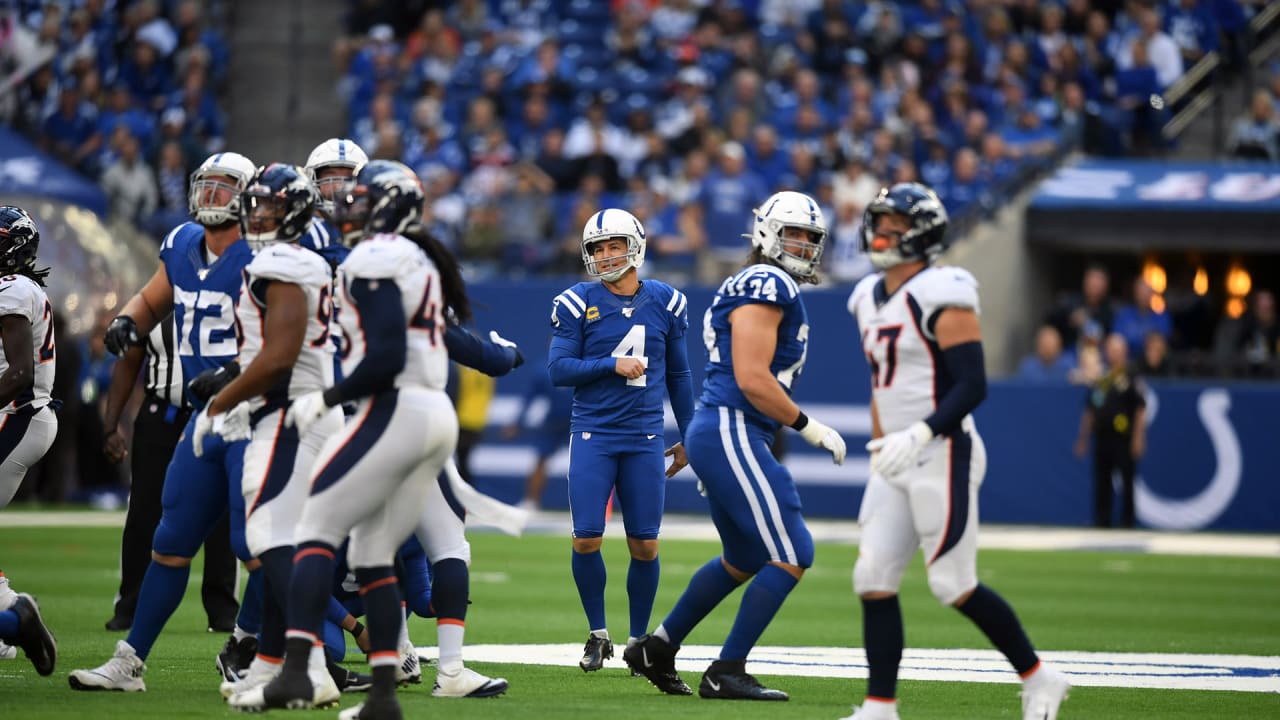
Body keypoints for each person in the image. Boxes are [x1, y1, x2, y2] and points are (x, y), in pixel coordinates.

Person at [245, 161, 507, 718]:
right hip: (430, 411)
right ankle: (385, 695)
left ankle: (296, 672)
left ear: (391, 206)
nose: (348, 207)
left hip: (393, 409)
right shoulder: (418, 258)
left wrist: (329, 396)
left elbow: (386, 355)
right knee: (373, 552)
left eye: (363, 199)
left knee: (314, 528)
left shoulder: (375, 257)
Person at [841, 183, 1070, 720]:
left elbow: (972, 384)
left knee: (952, 584)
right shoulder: (865, 297)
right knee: (872, 578)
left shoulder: (943, 289)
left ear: (921, 234)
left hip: (942, 451)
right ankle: (880, 707)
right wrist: (883, 443)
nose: (880, 233)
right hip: (894, 457)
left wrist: (919, 433)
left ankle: (1041, 677)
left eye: (893, 225)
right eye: (879, 222)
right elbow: (883, 385)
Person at [625, 190, 847, 700]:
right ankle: (727, 669)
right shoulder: (767, 280)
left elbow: (732, 376)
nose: (806, 245)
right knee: (793, 550)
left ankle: (657, 646)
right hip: (734, 428)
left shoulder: (760, 281)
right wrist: (808, 425)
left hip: (721, 427)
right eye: (795, 233)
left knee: (746, 553)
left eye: (812, 238)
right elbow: (750, 377)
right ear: (768, 233)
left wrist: (695, 440)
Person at [69, 151, 260, 692]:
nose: (210, 198)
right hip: (204, 420)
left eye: (224, 189)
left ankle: (267, 654)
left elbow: (282, 340)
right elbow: (153, 299)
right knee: (170, 540)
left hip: (253, 415)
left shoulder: (263, 256)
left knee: (259, 548)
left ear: (246, 198)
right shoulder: (179, 244)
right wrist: (127, 323)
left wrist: (232, 374)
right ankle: (129, 661)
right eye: (206, 186)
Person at [190, 162, 345, 707]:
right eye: (253, 204)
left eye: (270, 207)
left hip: (287, 414)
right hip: (304, 411)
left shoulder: (281, 261)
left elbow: (279, 356)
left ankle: (311, 668)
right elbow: (272, 347)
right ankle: (270, 664)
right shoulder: (296, 260)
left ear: (296, 212)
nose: (257, 214)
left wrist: (221, 402)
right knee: (285, 538)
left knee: (268, 539)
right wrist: (233, 374)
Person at [548, 207, 696, 673]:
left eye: (615, 245)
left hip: (646, 435)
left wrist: (689, 435)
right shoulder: (575, 301)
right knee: (587, 538)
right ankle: (597, 634)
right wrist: (610, 364)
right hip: (594, 432)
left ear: (635, 247)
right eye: (598, 248)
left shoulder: (668, 301)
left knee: (645, 544)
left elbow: (679, 375)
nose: (607, 255)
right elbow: (558, 369)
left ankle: (637, 641)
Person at [99, 314, 239, 633]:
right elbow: (128, 360)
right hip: (162, 412)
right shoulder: (153, 305)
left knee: (222, 513)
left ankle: (222, 607)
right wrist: (111, 426)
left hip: (216, 413)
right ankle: (131, 604)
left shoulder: (230, 292)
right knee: (143, 511)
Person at [0, 205, 61, 673]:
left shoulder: (12, 289)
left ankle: (12, 619)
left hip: (19, 415)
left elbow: (19, 374)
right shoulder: (23, 289)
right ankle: (10, 621)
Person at [1074, 332, 1147, 529]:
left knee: (1127, 481)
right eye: (1111, 349)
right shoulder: (1101, 377)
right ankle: (1102, 519)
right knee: (1102, 480)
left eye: (1117, 349)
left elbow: (1140, 408)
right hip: (1102, 435)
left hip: (1123, 437)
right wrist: (1083, 438)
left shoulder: (1131, 376)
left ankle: (1127, 520)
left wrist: (1138, 438)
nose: (1113, 353)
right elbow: (1090, 409)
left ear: (1124, 352)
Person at [504, 369, 573, 511]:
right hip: (554, 423)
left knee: (589, 463)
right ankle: (531, 501)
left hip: (579, 421)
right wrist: (517, 422)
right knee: (541, 460)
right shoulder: (544, 372)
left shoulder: (583, 367)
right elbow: (529, 398)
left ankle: (592, 504)